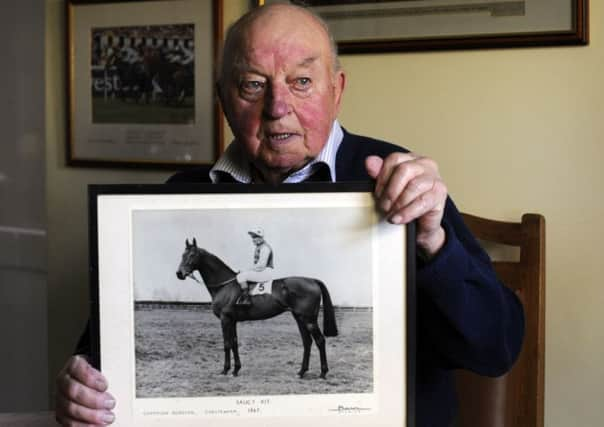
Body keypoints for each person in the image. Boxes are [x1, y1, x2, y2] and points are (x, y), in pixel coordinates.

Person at [54, 4, 524, 426]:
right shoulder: (181, 195)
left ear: (336, 90)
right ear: (223, 99)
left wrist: (433, 245)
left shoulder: (398, 180)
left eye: (301, 82)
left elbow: (495, 349)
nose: (278, 108)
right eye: (253, 85)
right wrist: (83, 391)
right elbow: (99, 354)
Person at [235, 228, 274, 306]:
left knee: (240, 276)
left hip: (265, 272)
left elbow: (261, 266)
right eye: (253, 237)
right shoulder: (260, 247)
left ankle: (246, 299)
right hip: (263, 271)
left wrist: (245, 270)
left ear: (261, 237)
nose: (254, 239)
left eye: (256, 237)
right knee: (244, 274)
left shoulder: (265, 248)